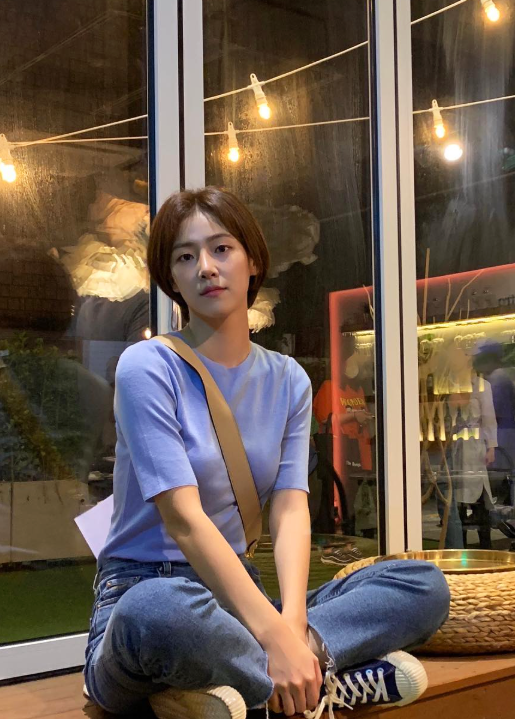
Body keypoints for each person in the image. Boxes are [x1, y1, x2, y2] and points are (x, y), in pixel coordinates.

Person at [83, 188, 450, 719]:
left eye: (221, 249)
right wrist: (273, 636)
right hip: (146, 585)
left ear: (253, 260)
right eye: (185, 257)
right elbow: (184, 519)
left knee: (422, 584)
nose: (206, 267)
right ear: (172, 278)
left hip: (238, 604)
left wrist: (291, 626)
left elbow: (291, 505)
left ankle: (250, 680)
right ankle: (321, 681)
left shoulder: (288, 379)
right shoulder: (148, 366)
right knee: (154, 613)